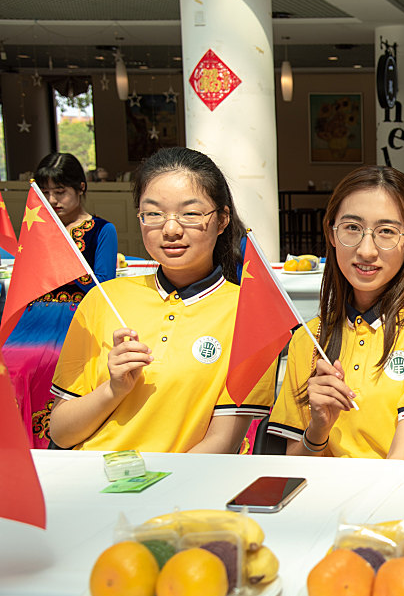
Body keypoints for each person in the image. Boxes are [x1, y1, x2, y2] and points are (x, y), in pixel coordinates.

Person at [48, 147, 274, 452]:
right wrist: (113, 389)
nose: (170, 229)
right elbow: (61, 433)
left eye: (190, 214)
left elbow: (222, 442)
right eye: (153, 213)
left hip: (184, 481)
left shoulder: (250, 315)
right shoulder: (103, 299)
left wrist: (154, 483)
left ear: (222, 220)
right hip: (92, 475)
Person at [267, 166, 404, 461]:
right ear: (332, 233)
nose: (366, 250)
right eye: (352, 228)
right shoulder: (308, 338)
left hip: (402, 491)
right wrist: (318, 428)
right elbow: (294, 467)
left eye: (386, 232)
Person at [3, 152, 118, 448]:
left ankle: (51, 441)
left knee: (44, 365)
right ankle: (16, 447)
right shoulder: (39, 228)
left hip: (77, 317)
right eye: (46, 192)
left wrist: (68, 258)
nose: (53, 200)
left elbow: (103, 286)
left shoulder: (102, 230)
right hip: (33, 317)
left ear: (81, 188)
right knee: (9, 364)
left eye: (61, 191)